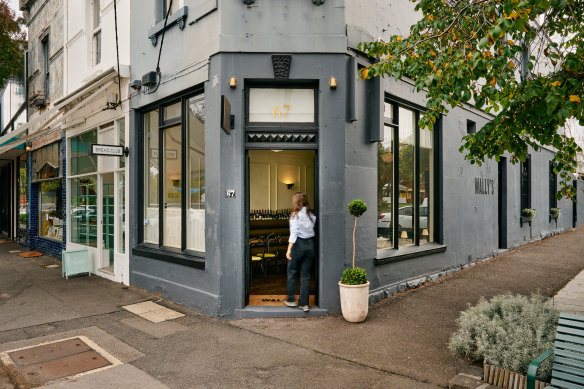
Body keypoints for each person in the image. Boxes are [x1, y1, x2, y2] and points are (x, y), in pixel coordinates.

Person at [284, 192, 316, 312]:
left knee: (292, 271)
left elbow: (294, 233)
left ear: (295, 202)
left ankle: (291, 299)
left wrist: (289, 249)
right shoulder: (311, 216)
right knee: (305, 275)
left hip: (298, 244)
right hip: (310, 245)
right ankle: (304, 304)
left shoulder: (295, 215)